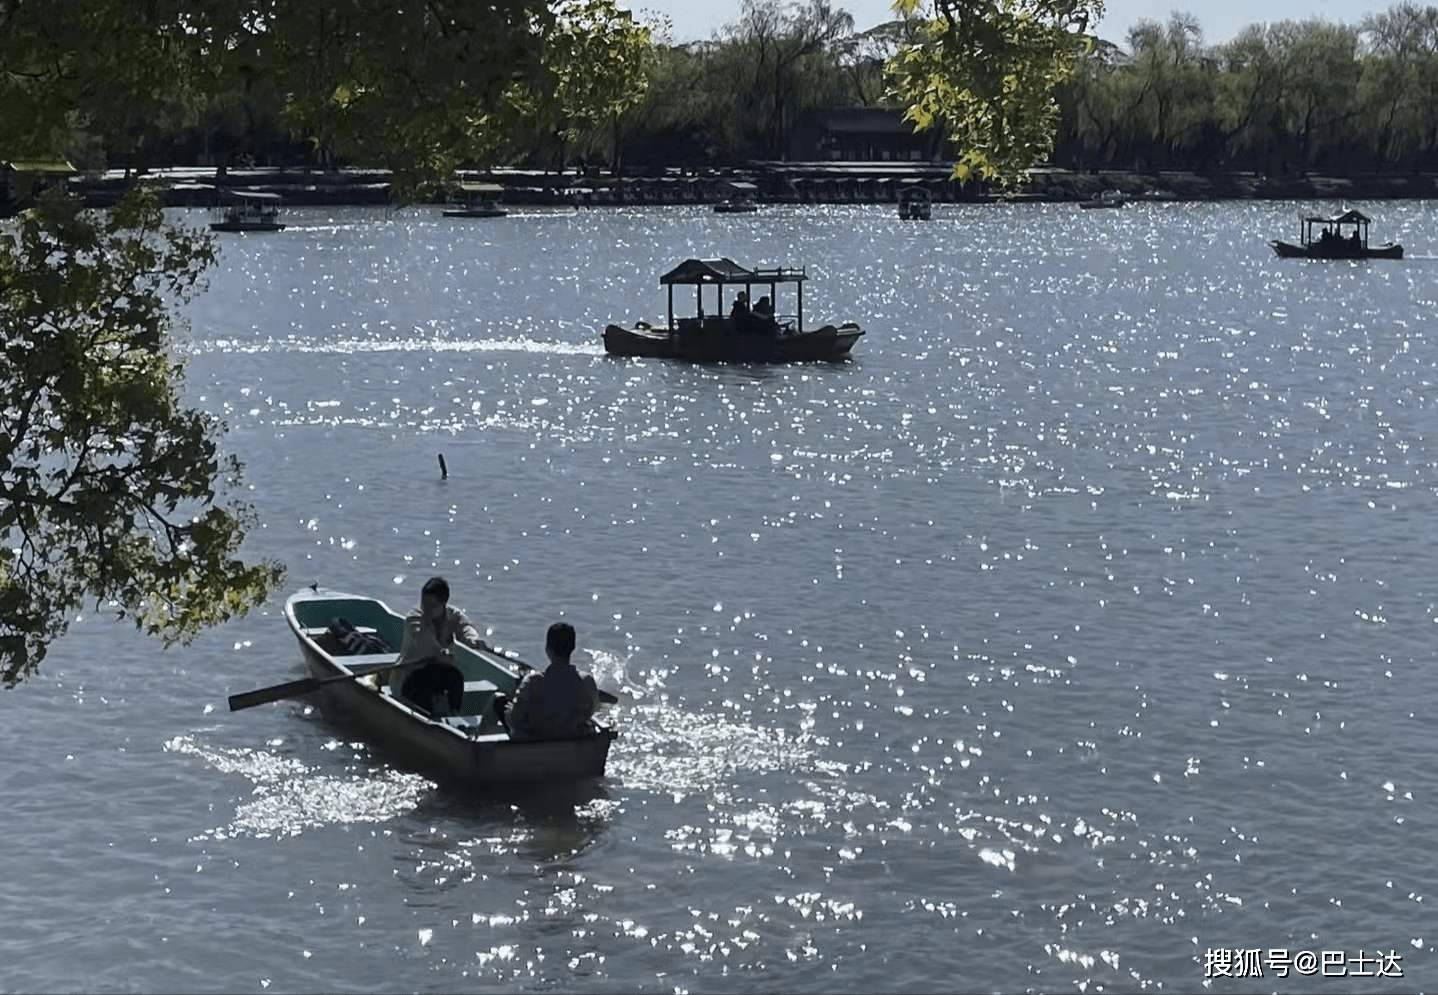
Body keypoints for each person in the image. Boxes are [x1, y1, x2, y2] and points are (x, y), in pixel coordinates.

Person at [384, 576, 490, 717]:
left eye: (431, 607)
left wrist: (473, 640)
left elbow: (465, 627)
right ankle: (426, 720)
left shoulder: (453, 615)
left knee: (455, 676)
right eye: (424, 605)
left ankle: (454, 713)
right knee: (426, 682)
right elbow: (426, 643)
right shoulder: (414, 619)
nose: (426, 610)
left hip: (436, 671)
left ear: (443, 604)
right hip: (409, 677)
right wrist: (441, 653)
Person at [503, 622, 600, 739]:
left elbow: (514, 719)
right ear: (573, 648)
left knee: (498, 700)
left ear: (548, 650)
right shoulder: (586, 681)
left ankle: (477, 742)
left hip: (533, 748)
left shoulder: (533, 681)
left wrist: (510, 706)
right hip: (572, 748)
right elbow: (591, 710)